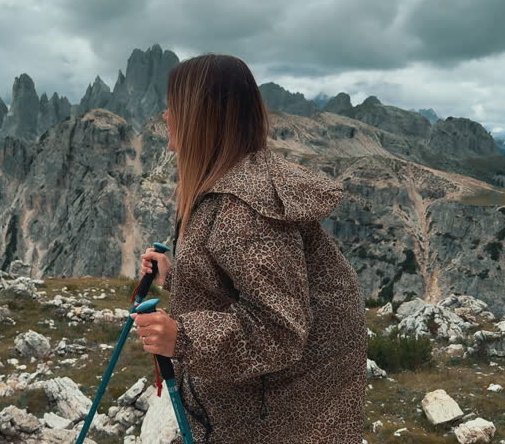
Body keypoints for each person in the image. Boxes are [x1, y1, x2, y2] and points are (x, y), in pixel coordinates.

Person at [133, 53, 367, 443]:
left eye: (174, 105)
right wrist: (177, 277)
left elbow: (279, 329)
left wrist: (183, 337)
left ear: (200, 116)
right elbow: (245, 284)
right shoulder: (236, 180)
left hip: (283, 418)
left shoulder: (244, 210)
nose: (164, 115)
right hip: (280, 407)